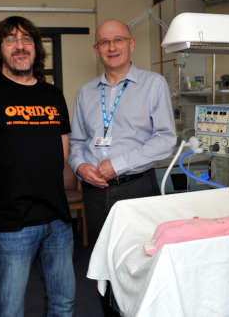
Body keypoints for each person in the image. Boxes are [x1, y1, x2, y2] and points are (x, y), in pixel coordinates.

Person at [0, 16, 75, 317]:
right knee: (10, 309)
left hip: (58, 218)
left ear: (36, 48)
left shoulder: (53, 95)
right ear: (0, 50)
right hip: (11, 224)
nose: (20, 46)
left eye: (26, 40)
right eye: (11, 39)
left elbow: (61, 151)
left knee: (64, 302)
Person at [68, 19, 176, 316]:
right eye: (104, 42)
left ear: (131, 44)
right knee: (104, 265)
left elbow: (166, 140)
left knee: (142, 263)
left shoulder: (154, 84)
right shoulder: (86, 92)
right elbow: (76, 142)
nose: (112, 47)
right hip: (95, 193)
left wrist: (117, 164)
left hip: (137, 188)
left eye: (119, 40)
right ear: (96, 49)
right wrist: (80, 167)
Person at [144, 204, 229, 256]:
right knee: (164, 225)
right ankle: (154, 241)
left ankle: (154, 249)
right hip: (200, 222)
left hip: (200, 233)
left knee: (170, 233)